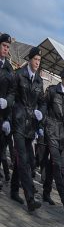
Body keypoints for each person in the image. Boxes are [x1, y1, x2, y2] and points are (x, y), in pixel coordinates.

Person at [10, 46, 45, 212]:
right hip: (17, 121)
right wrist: (7, 119)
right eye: (35, 60)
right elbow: (11, 96)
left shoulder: (39, 80)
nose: (37, 63)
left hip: (30, 124)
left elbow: (43, 102)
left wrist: (41, 113)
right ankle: (30, 198)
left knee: (25, 160)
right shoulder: (19, 75)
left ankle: (14, 190)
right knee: (23, 159)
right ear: (29, 60)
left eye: (39, 60)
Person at [41, 65, 64, 210]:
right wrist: (42, 124)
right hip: (52, 130)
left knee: (51, 164)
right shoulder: (52, 91)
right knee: (57, 163)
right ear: (62, 79)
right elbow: (44, 106)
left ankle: (46, 193)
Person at [0, 33, 14, 190]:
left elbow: (12, 92)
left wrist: (7, 102)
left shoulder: (9, 69)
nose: (6, 49)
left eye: (8, 47)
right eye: (4, 46)